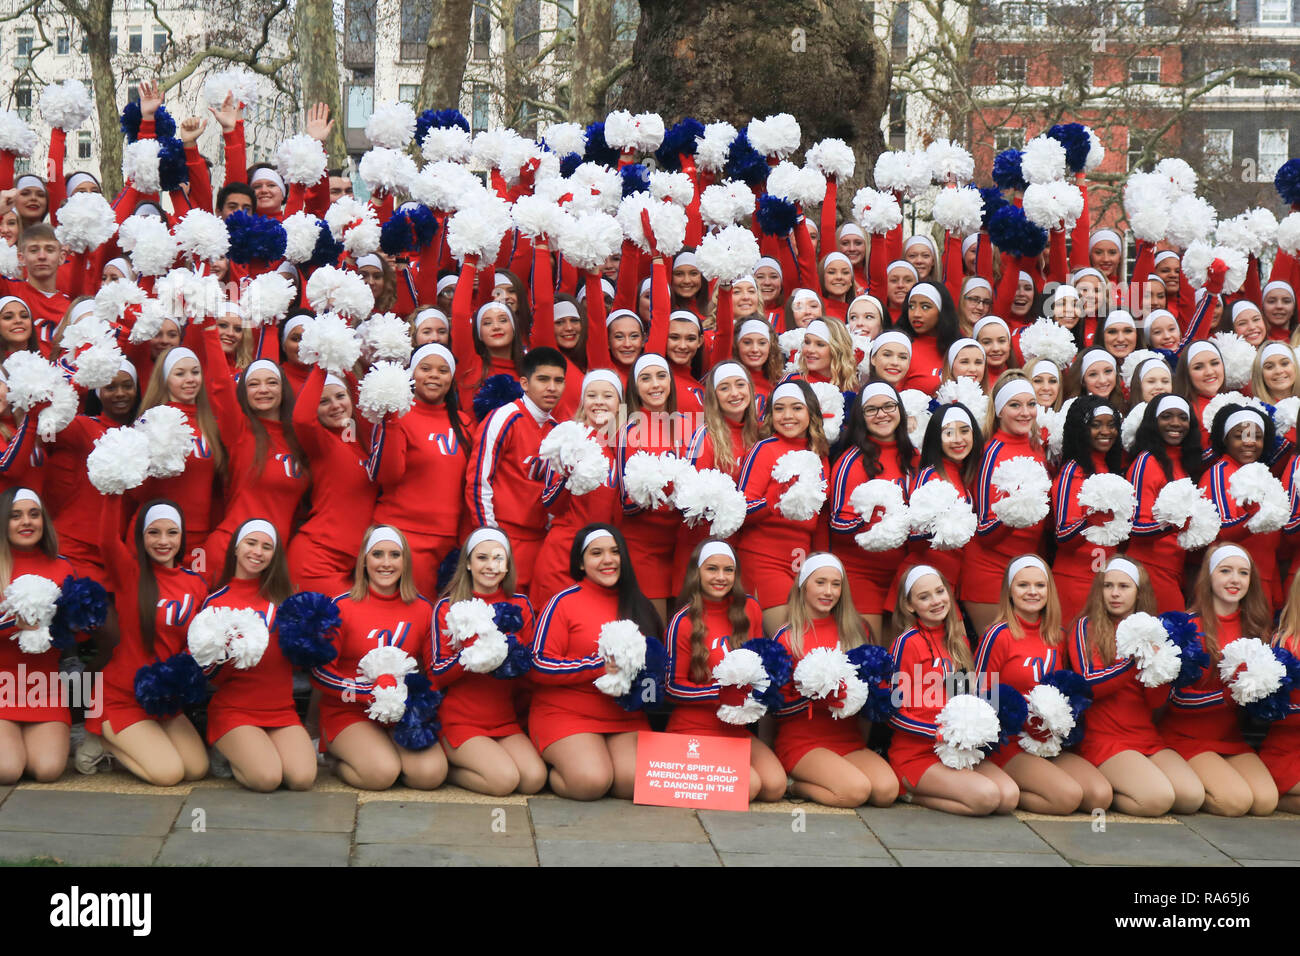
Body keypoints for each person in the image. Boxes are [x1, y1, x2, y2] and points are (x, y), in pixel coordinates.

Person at [82, 495, 210, 786]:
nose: (163, 541)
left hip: (163, 699)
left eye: (172, 532)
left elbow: (198, 640)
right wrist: (113, 492)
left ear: (182, 536)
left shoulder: (197, 583)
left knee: (196, 768)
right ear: (141, 537)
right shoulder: (129, 573)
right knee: (169, 774)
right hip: (120, 697)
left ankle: (134, 742)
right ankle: (104, 741)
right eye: (154, 532)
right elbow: (106, 539)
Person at [529, 525, 661, 800]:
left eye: (615, 552)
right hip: (567, 714)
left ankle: (602, 760)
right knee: (590, 782)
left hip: (623, 717)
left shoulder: (640, 605)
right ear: (581, 561)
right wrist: (597, 666)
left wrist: (647, 688)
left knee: (636, 783)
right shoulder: (562, 602)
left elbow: (654, 668)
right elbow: (539, 664)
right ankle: (555, 767)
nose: (608, 560)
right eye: (596, 553)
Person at [310, 525, 447, 791]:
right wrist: (368, 692)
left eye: (395, 555)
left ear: (405, 562)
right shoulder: (340, 607)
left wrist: (415, 701)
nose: (386, 563)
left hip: (401, 713)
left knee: (430, 775)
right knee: (381, 774)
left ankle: (384, 751)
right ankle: (335, 757)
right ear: (364, 560)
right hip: (348, 712)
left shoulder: (422, 608)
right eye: (377, 554)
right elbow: (320, 674)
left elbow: (433, 671)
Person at [975, 555, 1113, 813]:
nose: (1032, 592)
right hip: (1011, 743)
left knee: (1099, 796)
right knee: (1067, 798)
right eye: (1023, 585)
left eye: (1040, 585)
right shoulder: (998, 635)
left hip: (1049, 742)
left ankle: (1036, 782)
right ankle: (1011, 792)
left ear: (1050, 590)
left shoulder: (1058, 636)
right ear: (1009, 591)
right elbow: (980, 695)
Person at [1069, 558, 1205, 815]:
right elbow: (1090, 685)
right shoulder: (1085, 626)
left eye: (1124, 586)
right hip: (1104, 738)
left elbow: (1155, 702)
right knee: (1158, 800)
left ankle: (1129, 781)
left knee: (1190, 797)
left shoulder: (1153, 628)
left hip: (1145, 736)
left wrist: (1164, 668)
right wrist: (1134, 659)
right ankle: (1109, 789)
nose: (1115, 593)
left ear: (1139, 592)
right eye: (1108, 586)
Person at [1158, 544, 1279, 816]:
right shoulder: (1188, 626)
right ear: (1209, 576)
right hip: (1186, 735)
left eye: (1243, 573)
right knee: (1235, 802)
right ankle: (1181, 782)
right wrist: (1229, 693)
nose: (1235, 579)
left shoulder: (1256, 628)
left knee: (1265, 802)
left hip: (1229, 737)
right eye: (1225, 571)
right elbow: (1175, 699)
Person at [888, 565, 1019, 815]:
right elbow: (893, 712)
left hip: (956, 750)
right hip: (917, 753)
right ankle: (911, 792)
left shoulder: (957, 639)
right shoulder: (907, 642)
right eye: (924, 597)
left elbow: (961, 699)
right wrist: (939, 733)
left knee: (1009, 797)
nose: (936, 601)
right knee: (987, 799)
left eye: (940, 592)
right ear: (909, 606)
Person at [663, 540, 787, 802]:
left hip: (734, 729)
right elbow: (672, 688)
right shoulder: (682, 621)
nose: (721, 577)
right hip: (694, 729)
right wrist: (721, 693)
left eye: (728, 570)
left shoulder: (749, 609)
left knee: (775, 787)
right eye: (712, 569)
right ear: (697, 573)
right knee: (749, 786)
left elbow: (761, 666)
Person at [772, 553, 898, 807]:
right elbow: (775, 707)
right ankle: (796, 788)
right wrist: (816, 696)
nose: (828, 591)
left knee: (886, 791)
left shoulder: (856, 630)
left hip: (846, 739)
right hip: (803, 741)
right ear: (803, 585)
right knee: (854, 792)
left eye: (836, 584)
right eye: (820, 582)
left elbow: (870, 690)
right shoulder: (788, 637)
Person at [201, 519, 316, 792]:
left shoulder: (286, 600)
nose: (257, 552)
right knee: (267, 779)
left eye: (266, 547)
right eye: (251, 543)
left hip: (280, 710)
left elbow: (299, 660)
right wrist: (226, 653)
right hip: (235, 711)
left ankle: (254, 751)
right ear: (236, 548)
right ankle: (227, 751)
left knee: (301, 779)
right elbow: (206, 673)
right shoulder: (216, 602)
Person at [432, 528, 546, 796]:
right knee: (504, 781)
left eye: (498, 558)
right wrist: (472, 653)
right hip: (461, 721)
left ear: (507, 566)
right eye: (482, 558)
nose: (491, 566)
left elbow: (529, 668)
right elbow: (437, 672)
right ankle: (448, 768)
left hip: (503, 719)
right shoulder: (449, 607)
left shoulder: (520, 604)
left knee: (534, 779)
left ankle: (484, 762)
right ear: (468, 564)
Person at [372, 343, 473, 595]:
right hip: (402, 536)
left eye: (442, 370)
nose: (434, 376)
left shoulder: (465, 423)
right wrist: (391, 420)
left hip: (447, 541)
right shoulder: (397, 416)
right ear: (411, 373)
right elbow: (387, 475)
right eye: (425, 368)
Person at [467, 347, 565, 592]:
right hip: (504, 536)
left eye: (558, 380)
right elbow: (479, 482)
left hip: (541, 542)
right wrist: (490, 538)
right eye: (543, 379)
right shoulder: (504, 417)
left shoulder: (560, 431)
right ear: (524, 382)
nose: (551, 387)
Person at [736, 380, 830, 632]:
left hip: (803, 564)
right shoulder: (763, 449)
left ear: (811, 413)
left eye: (796, 408)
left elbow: (820, 521)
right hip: (764, 559)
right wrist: (775, 498)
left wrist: (820, 564)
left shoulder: (820, 456)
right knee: (786, 639)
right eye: (779, 409)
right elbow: (740, 510)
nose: (787, 416)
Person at [0, 488, 78, 783]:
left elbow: (74, 638)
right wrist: (13, 623)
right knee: (8, 770)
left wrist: (79, 624)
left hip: (44, 687)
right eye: (15, 516)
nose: (26, 522)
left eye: (34, 514)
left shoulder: (62, 566)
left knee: (48, 770)